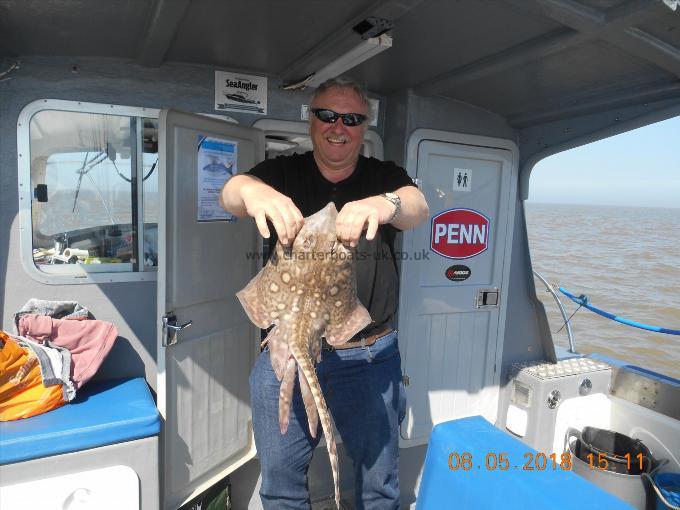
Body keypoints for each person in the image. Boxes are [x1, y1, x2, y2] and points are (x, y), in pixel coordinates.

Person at [220, 76, 429, 510]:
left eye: (352, 119)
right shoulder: (282, 171)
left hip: (368, 355)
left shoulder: (382, 176)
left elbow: (417, 206)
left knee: (379, 485)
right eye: (328, 115)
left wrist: (383, 204)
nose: (339, 126)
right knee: (279, 485)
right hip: (284, 350)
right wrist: (253, 191)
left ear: (364, 125)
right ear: (311, 120)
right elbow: (231, 193)